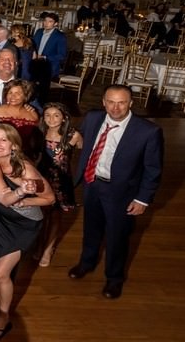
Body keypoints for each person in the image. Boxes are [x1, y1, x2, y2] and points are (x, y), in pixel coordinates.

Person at [68, 85, 163, 300]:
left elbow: (153, 169)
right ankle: (87, 263)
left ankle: (114, 278)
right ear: (103, 102)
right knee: (91, 229)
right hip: (92, 183)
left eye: (121, 103)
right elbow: (82, 137)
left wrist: (142, 199)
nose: (115, 108)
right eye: (111, 102)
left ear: (131, 103)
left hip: (121, 192)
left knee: (117, 236)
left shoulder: (148, 131)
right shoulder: (93, 118)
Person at [0, 123, 54, 341]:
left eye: (3, 140)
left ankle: (4, 316)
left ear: (14, 145)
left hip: (24, 225)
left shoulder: (24, 168)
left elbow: (49, 198)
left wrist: (24, 201)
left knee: (0, 273)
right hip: (2, 220)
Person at [36, 103, 83, 268]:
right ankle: (40, 245)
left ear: (64, 118)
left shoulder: (73, 135)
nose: (51, 119)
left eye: (56, 115)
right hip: (42, 178)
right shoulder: (40, 132)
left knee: (56, 216)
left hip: (61, 180)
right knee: (42, 214)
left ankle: (48, 249)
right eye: (47, 115)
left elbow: (83, 154)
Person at [0, 79, 41, 161]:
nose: (13, 96)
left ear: (25, 96)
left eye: (18, 93)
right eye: (10, 93)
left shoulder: (32, 114)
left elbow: (35, 140)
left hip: (23, 157)